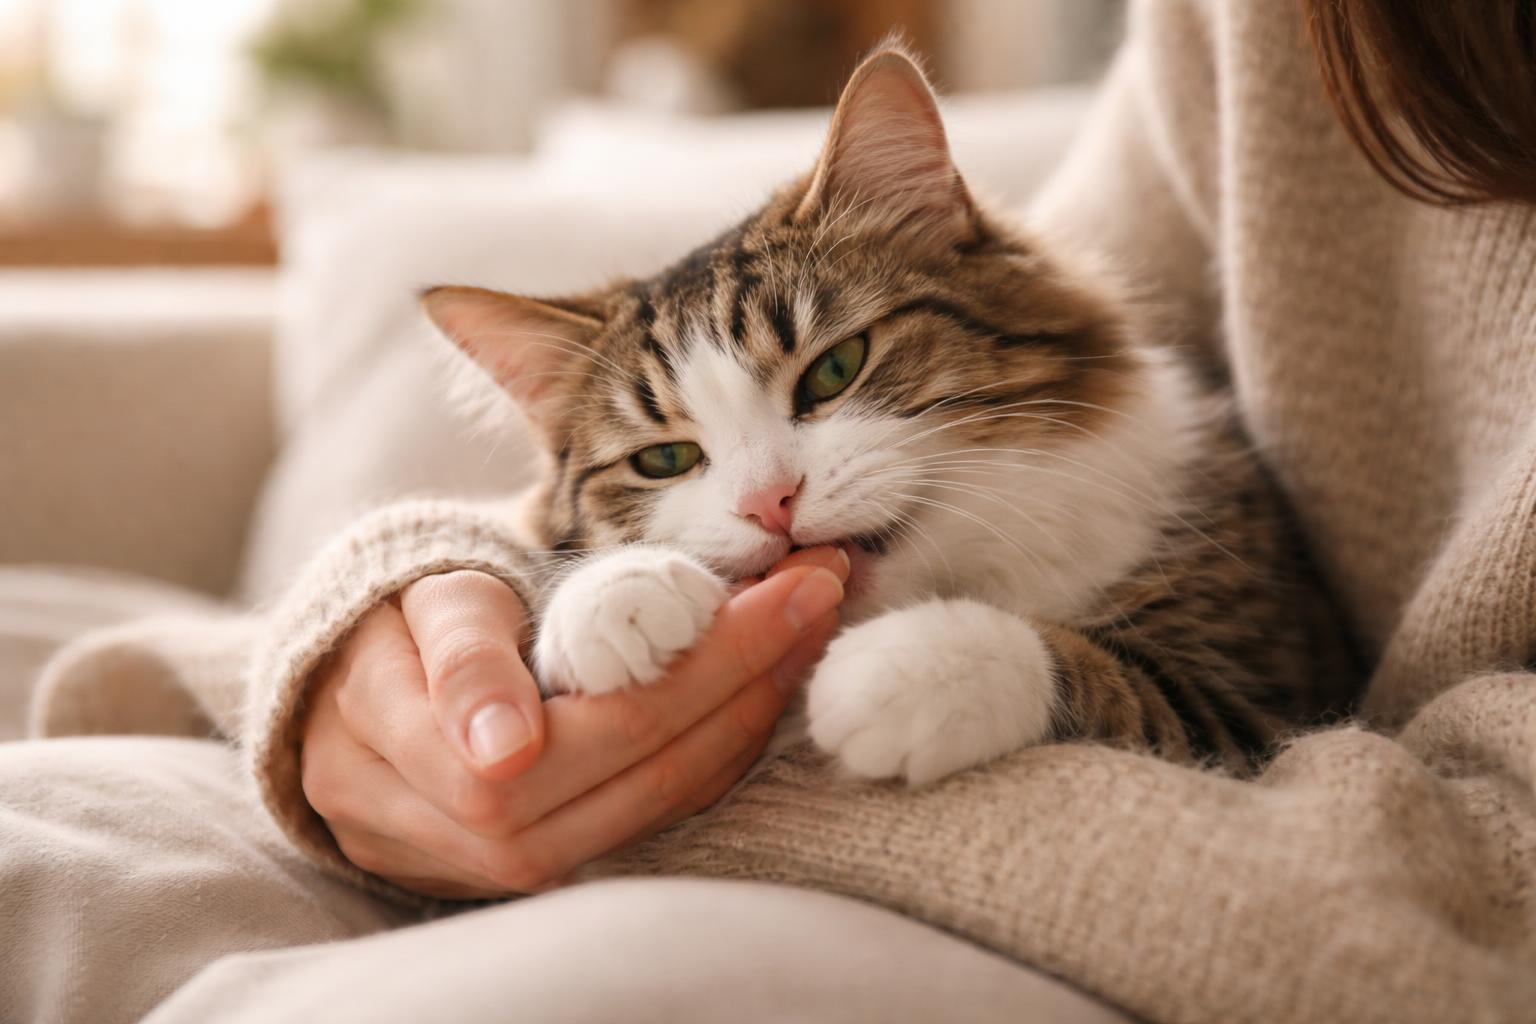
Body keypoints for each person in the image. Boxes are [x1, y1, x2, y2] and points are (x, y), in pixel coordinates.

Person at [5, 1, 1535, 1021]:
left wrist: (1034, 683)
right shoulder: (1264, 41)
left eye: (838, 371)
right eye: (673, 463)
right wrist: (417, 608)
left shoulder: (1173, 510)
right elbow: (550, 533)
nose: (773, 495)